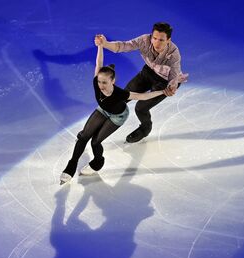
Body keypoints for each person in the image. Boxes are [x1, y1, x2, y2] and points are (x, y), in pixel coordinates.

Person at [60, 42, 166, 184]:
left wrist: (163, 91)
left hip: (118, 116)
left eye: (104, 82)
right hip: (103, 110)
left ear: (113, 81)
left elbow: (143, 96)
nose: (101, 86)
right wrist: (100, 46)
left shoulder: (120, 93)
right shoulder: (96, 83)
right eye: (99, 81)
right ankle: (70, 167)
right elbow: (99, 62)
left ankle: (98, 162)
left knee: (95, 142)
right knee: (83, 136)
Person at [95, 22, 188, 143]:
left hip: (165, 82)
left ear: (168, 40)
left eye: (161, 40)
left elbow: (174, 75)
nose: (157, 43)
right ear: (151, 36)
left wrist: (172, 88)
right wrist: (105, 44)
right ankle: (95, 126)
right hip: (148, 72)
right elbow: (124, 46)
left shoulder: (173, 53)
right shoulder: (144, 40)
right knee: (120, 98)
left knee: (140, 108)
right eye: (154, 38)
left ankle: (145, 129)